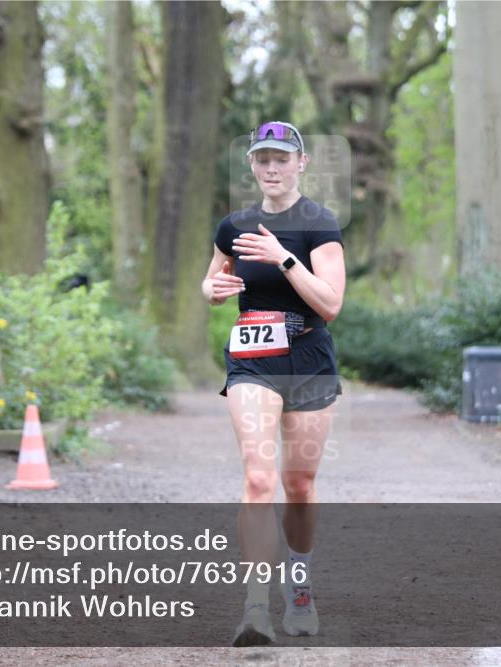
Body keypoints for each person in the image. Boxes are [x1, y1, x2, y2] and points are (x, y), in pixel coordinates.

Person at [200, 121, 346, 646]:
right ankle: (256, 608)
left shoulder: (320, 224)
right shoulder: (235, 225)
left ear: (301, 163)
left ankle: (298, 585)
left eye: (282, 158)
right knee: (259, 480)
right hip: (253, 360)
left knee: (298, 485)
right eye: (263, 159)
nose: (272, 167)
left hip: (308, 358)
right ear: (252, 165)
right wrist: (213, 289)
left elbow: (331, 303)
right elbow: (211, 279)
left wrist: (283, 259)